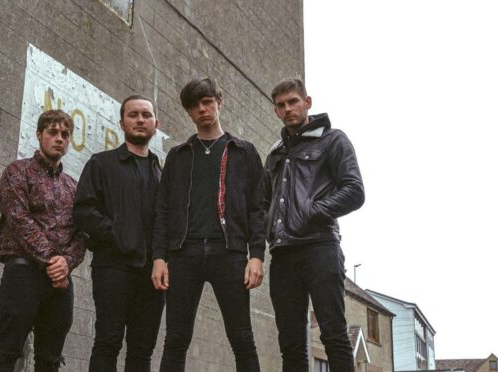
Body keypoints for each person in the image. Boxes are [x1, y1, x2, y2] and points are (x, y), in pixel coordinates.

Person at [151, 78, 264, 372]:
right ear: (189, 112)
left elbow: (257, 208)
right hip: (183, 254)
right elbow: (163, 209)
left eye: (207, 102)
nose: (202, 109)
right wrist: (159, 258)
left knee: (242, 338)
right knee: (175, 340)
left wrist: (256, 255)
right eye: (194, 105)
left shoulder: (244, 152)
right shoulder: (177, 155)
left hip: (229, 253)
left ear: (219, 102)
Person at [263, 78, 365, 371]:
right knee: (290, 345)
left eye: (293, 102)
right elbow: (263, 202)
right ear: (276, 111)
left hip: (321, 247)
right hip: (282, 255)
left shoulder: (334, 140)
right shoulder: (275, 153)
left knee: (334, 336)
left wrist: (312, 211)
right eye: (281, 105)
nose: (288, 109)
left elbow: (355, 191)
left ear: (307, 103)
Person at [0, 110, 85, 372]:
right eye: (53, 132)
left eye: (65, 134)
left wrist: (67, 262)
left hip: (60, 282)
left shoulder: (74, 186)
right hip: (23, 272)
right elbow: (19, 219)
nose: (59, 139)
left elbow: (82, 232)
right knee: (7, 351)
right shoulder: (17, 172)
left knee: (51, 360)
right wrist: (53, 261)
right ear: (39, 134)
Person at [73, 95, 165, 372]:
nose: (140, 120)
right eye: (133, 115)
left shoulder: (162, 172)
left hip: (152, 273)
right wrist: (117, 235)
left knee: (142, 351)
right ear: (122, 122)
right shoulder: (102, 163)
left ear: (155, 124)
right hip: (113, 267)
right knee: (108, 342)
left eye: (146, 115)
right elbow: (84, 210)